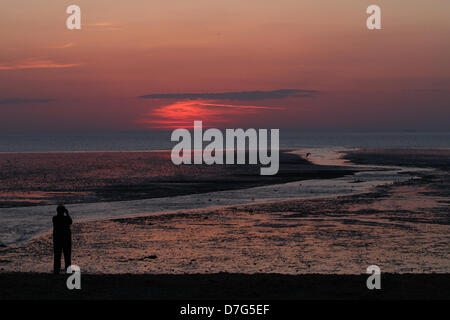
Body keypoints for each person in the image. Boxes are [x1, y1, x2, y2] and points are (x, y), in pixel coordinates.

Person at [52, 205, 72, 274]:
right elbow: (70, 222)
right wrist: (67, 213)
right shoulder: (66, 218)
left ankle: (56, 271)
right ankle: (68, 270)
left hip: (57, 240)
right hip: (66, 240)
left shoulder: (55, 218)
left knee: (57, 256)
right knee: (67, 256)